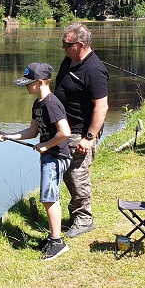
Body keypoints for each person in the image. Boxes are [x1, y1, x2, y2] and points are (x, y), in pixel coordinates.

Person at [0, 62, 72, 261]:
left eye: (29, 83)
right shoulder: (38, 104)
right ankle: (53, 237)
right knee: (48, 196)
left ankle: (57, 242)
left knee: (48, 197)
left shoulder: (51, 104)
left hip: (56, 157)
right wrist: (8, 135)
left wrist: (46, 145)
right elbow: (33, 131)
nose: (26, 86)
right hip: (48, 156)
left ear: (40, 82)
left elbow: (65, 132)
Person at [53, 23, 109, 239]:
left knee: (77, 174)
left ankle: (84, 219)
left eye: (66, 44)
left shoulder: (95, 70)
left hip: (82, 132)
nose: (63, 47)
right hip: (66, 128)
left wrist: (88, 138)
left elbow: (101, 107)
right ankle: (76, 214)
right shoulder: (70, 60)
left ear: (81, 45)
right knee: (68, 173)